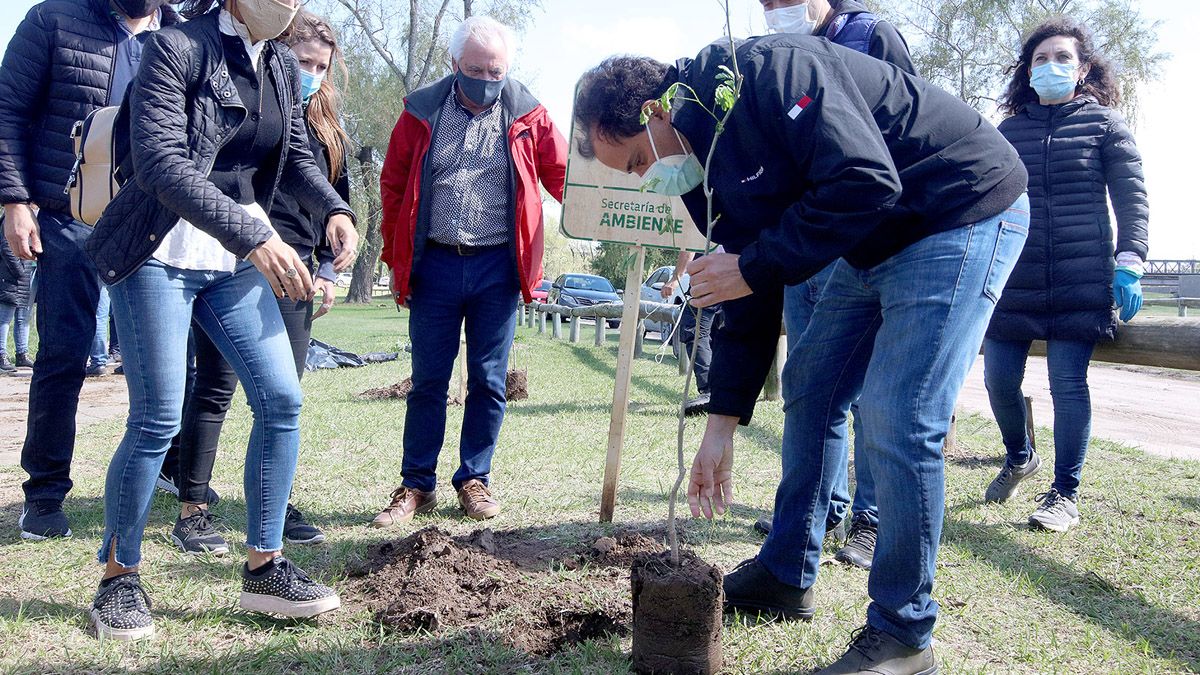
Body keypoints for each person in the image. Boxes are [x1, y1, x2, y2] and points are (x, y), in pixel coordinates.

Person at [574, 36, 1028, 673]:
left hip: (958, 210)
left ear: (653, 115)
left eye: (631, 164)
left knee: (900, 415)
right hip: (873, 240)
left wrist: (753, 266)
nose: (643, 180)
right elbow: (744, 289)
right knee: (811, 387)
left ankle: (904, 632)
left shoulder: (773, 73)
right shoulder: (700, 169)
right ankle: (787, 573)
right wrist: (720, 427)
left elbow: (867, 180)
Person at [83, 0, 359, 640]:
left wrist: (333, 208)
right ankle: (119, 581)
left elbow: (294, 157)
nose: (288, 3)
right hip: (159, 251)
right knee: (157, 417)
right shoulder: (176, 50)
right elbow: (159, 165)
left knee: (281, 400)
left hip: (235, 257)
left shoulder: (283, 66)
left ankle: (265, 568)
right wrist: (252, 236)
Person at [163, 9, 358, 556]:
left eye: (320, 66)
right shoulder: (241, 93)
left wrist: (327, 255)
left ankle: (273, 504)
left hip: (294, 260)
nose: (310, 73)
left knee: (281, 395)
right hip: (233, 250)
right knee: (214, 384)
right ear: (277, 49)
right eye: (302, 62)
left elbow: (323, 185)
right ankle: (193, 503)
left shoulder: (323, 127)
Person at [373, 15, 567, 528]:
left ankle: (474, 479)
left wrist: (615, 202)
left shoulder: (531, 116)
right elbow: (393, 185)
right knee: (428, 380)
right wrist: (397, 258)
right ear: (455, 64)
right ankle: (416, 484)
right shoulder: (420, 110)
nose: (486, 78)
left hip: (497, 269)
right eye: (476, 69)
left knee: (488, 379)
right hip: (435, 264)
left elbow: (565, 176)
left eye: (496, 70)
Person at [1, 0, 178, 540]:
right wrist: (13, 199)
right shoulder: (52, 19)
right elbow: (8, 111)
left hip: (156, 219)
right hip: (70, 217)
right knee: (65, 353)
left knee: (176, 355)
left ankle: (175, 473)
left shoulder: (182, 33)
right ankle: (45, 491)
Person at [753, 0, 918, 572]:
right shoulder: (775, 60)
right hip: (804, 245)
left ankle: (871, 519)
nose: (777, 10)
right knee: (810, 386)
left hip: (861, 244)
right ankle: (815, 513)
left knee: (873, 391)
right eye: (766, 3)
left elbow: (897, 135)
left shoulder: (873, 35)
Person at [981, 18, 1148, 533]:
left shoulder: (1105, 125)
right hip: (1015, 277)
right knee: (998, 379)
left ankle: (1064, 494)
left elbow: (1131, 196)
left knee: (1067, 382)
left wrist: (1131, 261)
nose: (1050, 67)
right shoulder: (1007, 132)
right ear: (1026, 73)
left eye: (1062, 58)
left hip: (1081, 275)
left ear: (1082, 69)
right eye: (1040, 60)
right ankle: (1019, 455)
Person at [660, 250, 721, 416]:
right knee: (717, 335)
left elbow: (689, 248)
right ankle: (722, 391)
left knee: (694, 330)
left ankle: (710, 392)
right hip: (734, 273)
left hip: (710, 277)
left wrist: (674, 279)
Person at [0, 226, 34, 373]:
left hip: (25, 274)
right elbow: (6, 248)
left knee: (23, 317)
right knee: (5, 318)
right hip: (11, 275)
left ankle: (22, 353)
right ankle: (1, 354)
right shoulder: (10, 220)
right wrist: (19, 271)